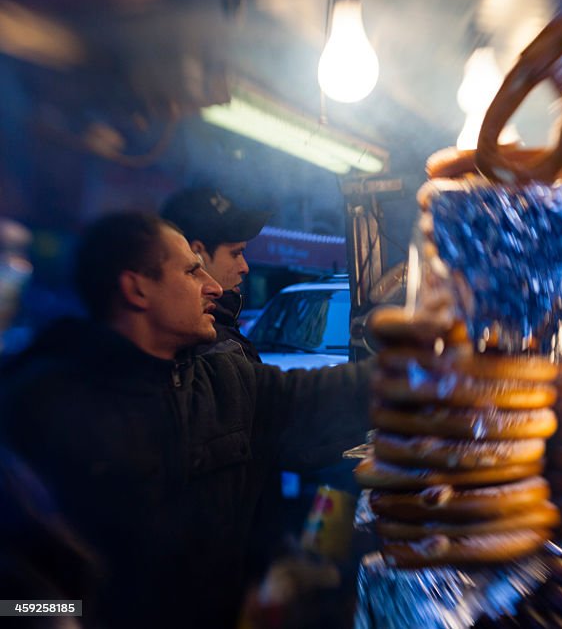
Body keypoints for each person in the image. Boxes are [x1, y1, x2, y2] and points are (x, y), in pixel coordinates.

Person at [0, 212, 371, 629]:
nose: (212, 286)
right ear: (137, 288)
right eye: (193, 271)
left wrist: (420, 367)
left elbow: (321, 396)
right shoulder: (39, 408)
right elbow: (15, 603)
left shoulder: (223, 380)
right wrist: (94, 617)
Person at [160, 187, 271, 362]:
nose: (244, 267)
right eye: (235, 253)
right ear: (196, 253)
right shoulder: (210, 347)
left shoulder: (213, 335)